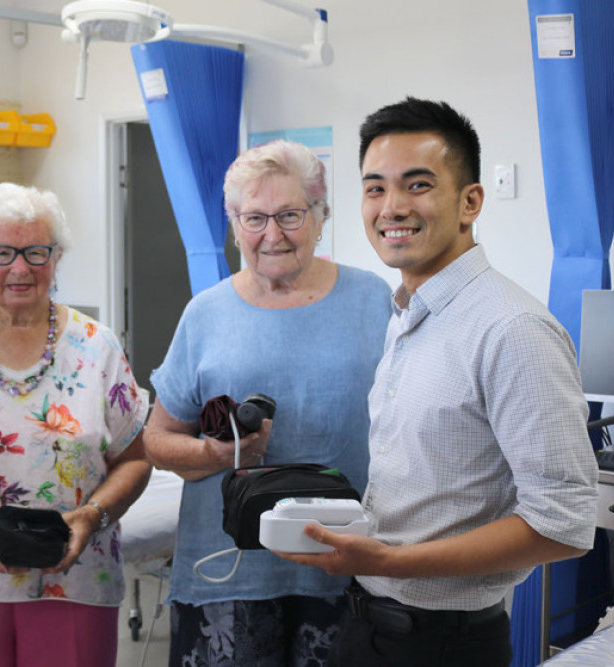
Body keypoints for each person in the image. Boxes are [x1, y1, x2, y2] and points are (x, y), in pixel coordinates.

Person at [278, 97, 600, 666]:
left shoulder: (512, 328)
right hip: (367, 622)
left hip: (443, 643)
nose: (391, 207)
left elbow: (564, 523)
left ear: (470, 201)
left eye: (418, 184)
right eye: (374, 188)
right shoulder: (408, 313)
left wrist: (391, 561)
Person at [142, 139, 393, 666]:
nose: (272, 234)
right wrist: (217, 456)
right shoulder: (205, 314)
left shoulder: (374, 301)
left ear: (321, 217)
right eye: (253, 218)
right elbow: (157, 440)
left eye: (290, 215)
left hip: (346, 564)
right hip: (229, 570)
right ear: (234, 224)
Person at [0, 182, 152, 667]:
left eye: (36, 251)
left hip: (77, 580)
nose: (20, 268)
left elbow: (134, 459)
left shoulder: (97, 347)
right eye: (2, 252)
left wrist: (89, 518)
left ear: (56, 258)